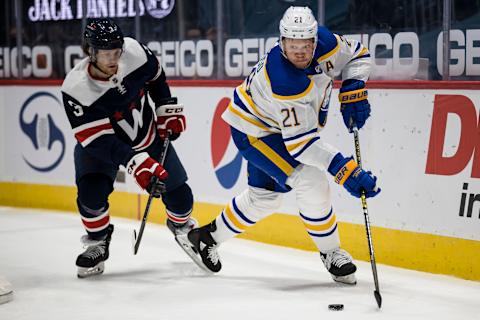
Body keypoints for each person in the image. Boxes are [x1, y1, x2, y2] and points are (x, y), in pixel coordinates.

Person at [186, 6, 380, 284]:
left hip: (274, 125)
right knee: (310, 179)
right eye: (292, 44)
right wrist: (345, 170)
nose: (299, 51)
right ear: (281, 41)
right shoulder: (284, 79)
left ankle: (205, 238)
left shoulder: (327, 43)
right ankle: (331, 252)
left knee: (263, 198)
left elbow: (359, 54)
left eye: (305, 45)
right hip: (256, 131)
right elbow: (301, 145)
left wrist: (354, 87)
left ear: (315, 40)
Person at [61, 19, 195, 278]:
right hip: (101, 148)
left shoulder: (134, 52)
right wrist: (135, 163)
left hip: (148, 137)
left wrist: (165, 107)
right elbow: (99, 141)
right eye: (105, 53)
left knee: (181, 198)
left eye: (116, 52)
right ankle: (98, 241)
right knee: (90, 194)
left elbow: (156, 78)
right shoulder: (76, 89)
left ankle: (183, 229)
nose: (113, 59)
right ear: (90, 51)